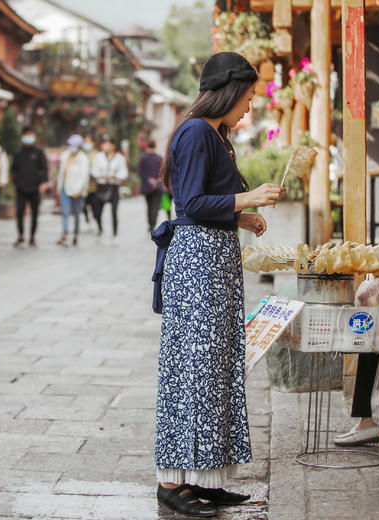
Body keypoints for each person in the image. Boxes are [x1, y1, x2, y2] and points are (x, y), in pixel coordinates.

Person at [153, 52, 284, 517]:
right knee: (195, 366)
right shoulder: (194, 132)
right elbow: (188, 201)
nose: (249, 107)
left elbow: (205, 200)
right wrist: (249, 196)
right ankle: (172, 481)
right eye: (247, 97)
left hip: (215, 258)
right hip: (198, 264)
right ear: (228, 92)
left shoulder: (215, 134)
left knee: (216, 366)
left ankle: (205, 477)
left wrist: (241, 215)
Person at [11, 127, 49, 248]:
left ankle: (32, 237)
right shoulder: (18, 153)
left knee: (34, 213)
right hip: (21, 189)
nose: (28, 137)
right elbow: (13, 170)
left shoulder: (38, 152)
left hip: (35, 189)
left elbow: (44, 169)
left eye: (30, 134)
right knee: (19, 213)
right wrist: (17, 182)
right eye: (26, 135)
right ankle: (21, 235)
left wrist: (43, 183)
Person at [91, 136, 128, 237]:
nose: (105, 146)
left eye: (107, 144)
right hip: (101, 186)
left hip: (113, 187)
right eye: (104, 144)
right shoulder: (98, 156)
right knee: (97, 211)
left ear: (113, 145)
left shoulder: (119, 157)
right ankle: (99, 227)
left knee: (114, 211)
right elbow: (94, 171)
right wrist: (102, 176)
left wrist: (114, 176)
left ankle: (115, 232)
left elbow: (124, 173)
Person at [57, 134, 90, 247]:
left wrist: (78, 189)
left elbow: (83, 176)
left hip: (77, 191)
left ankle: (76, 234)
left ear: (79, 146)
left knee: (76, 213)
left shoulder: (83, 158)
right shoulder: (65, 155)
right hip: (64, 188)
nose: (71, 147)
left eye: (74, 145)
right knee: (65, 212)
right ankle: (65, 234)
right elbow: (61, 172)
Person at [138, 139, 163, 232]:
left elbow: (140, 172)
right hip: (158, 187)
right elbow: (162, 172)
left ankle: (150, 224)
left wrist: (149, 180)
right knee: (155, 206)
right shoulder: (159, 158)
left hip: (147, 187)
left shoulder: (143, 158)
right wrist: (156, 181)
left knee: (149, 206)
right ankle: (153, 223)